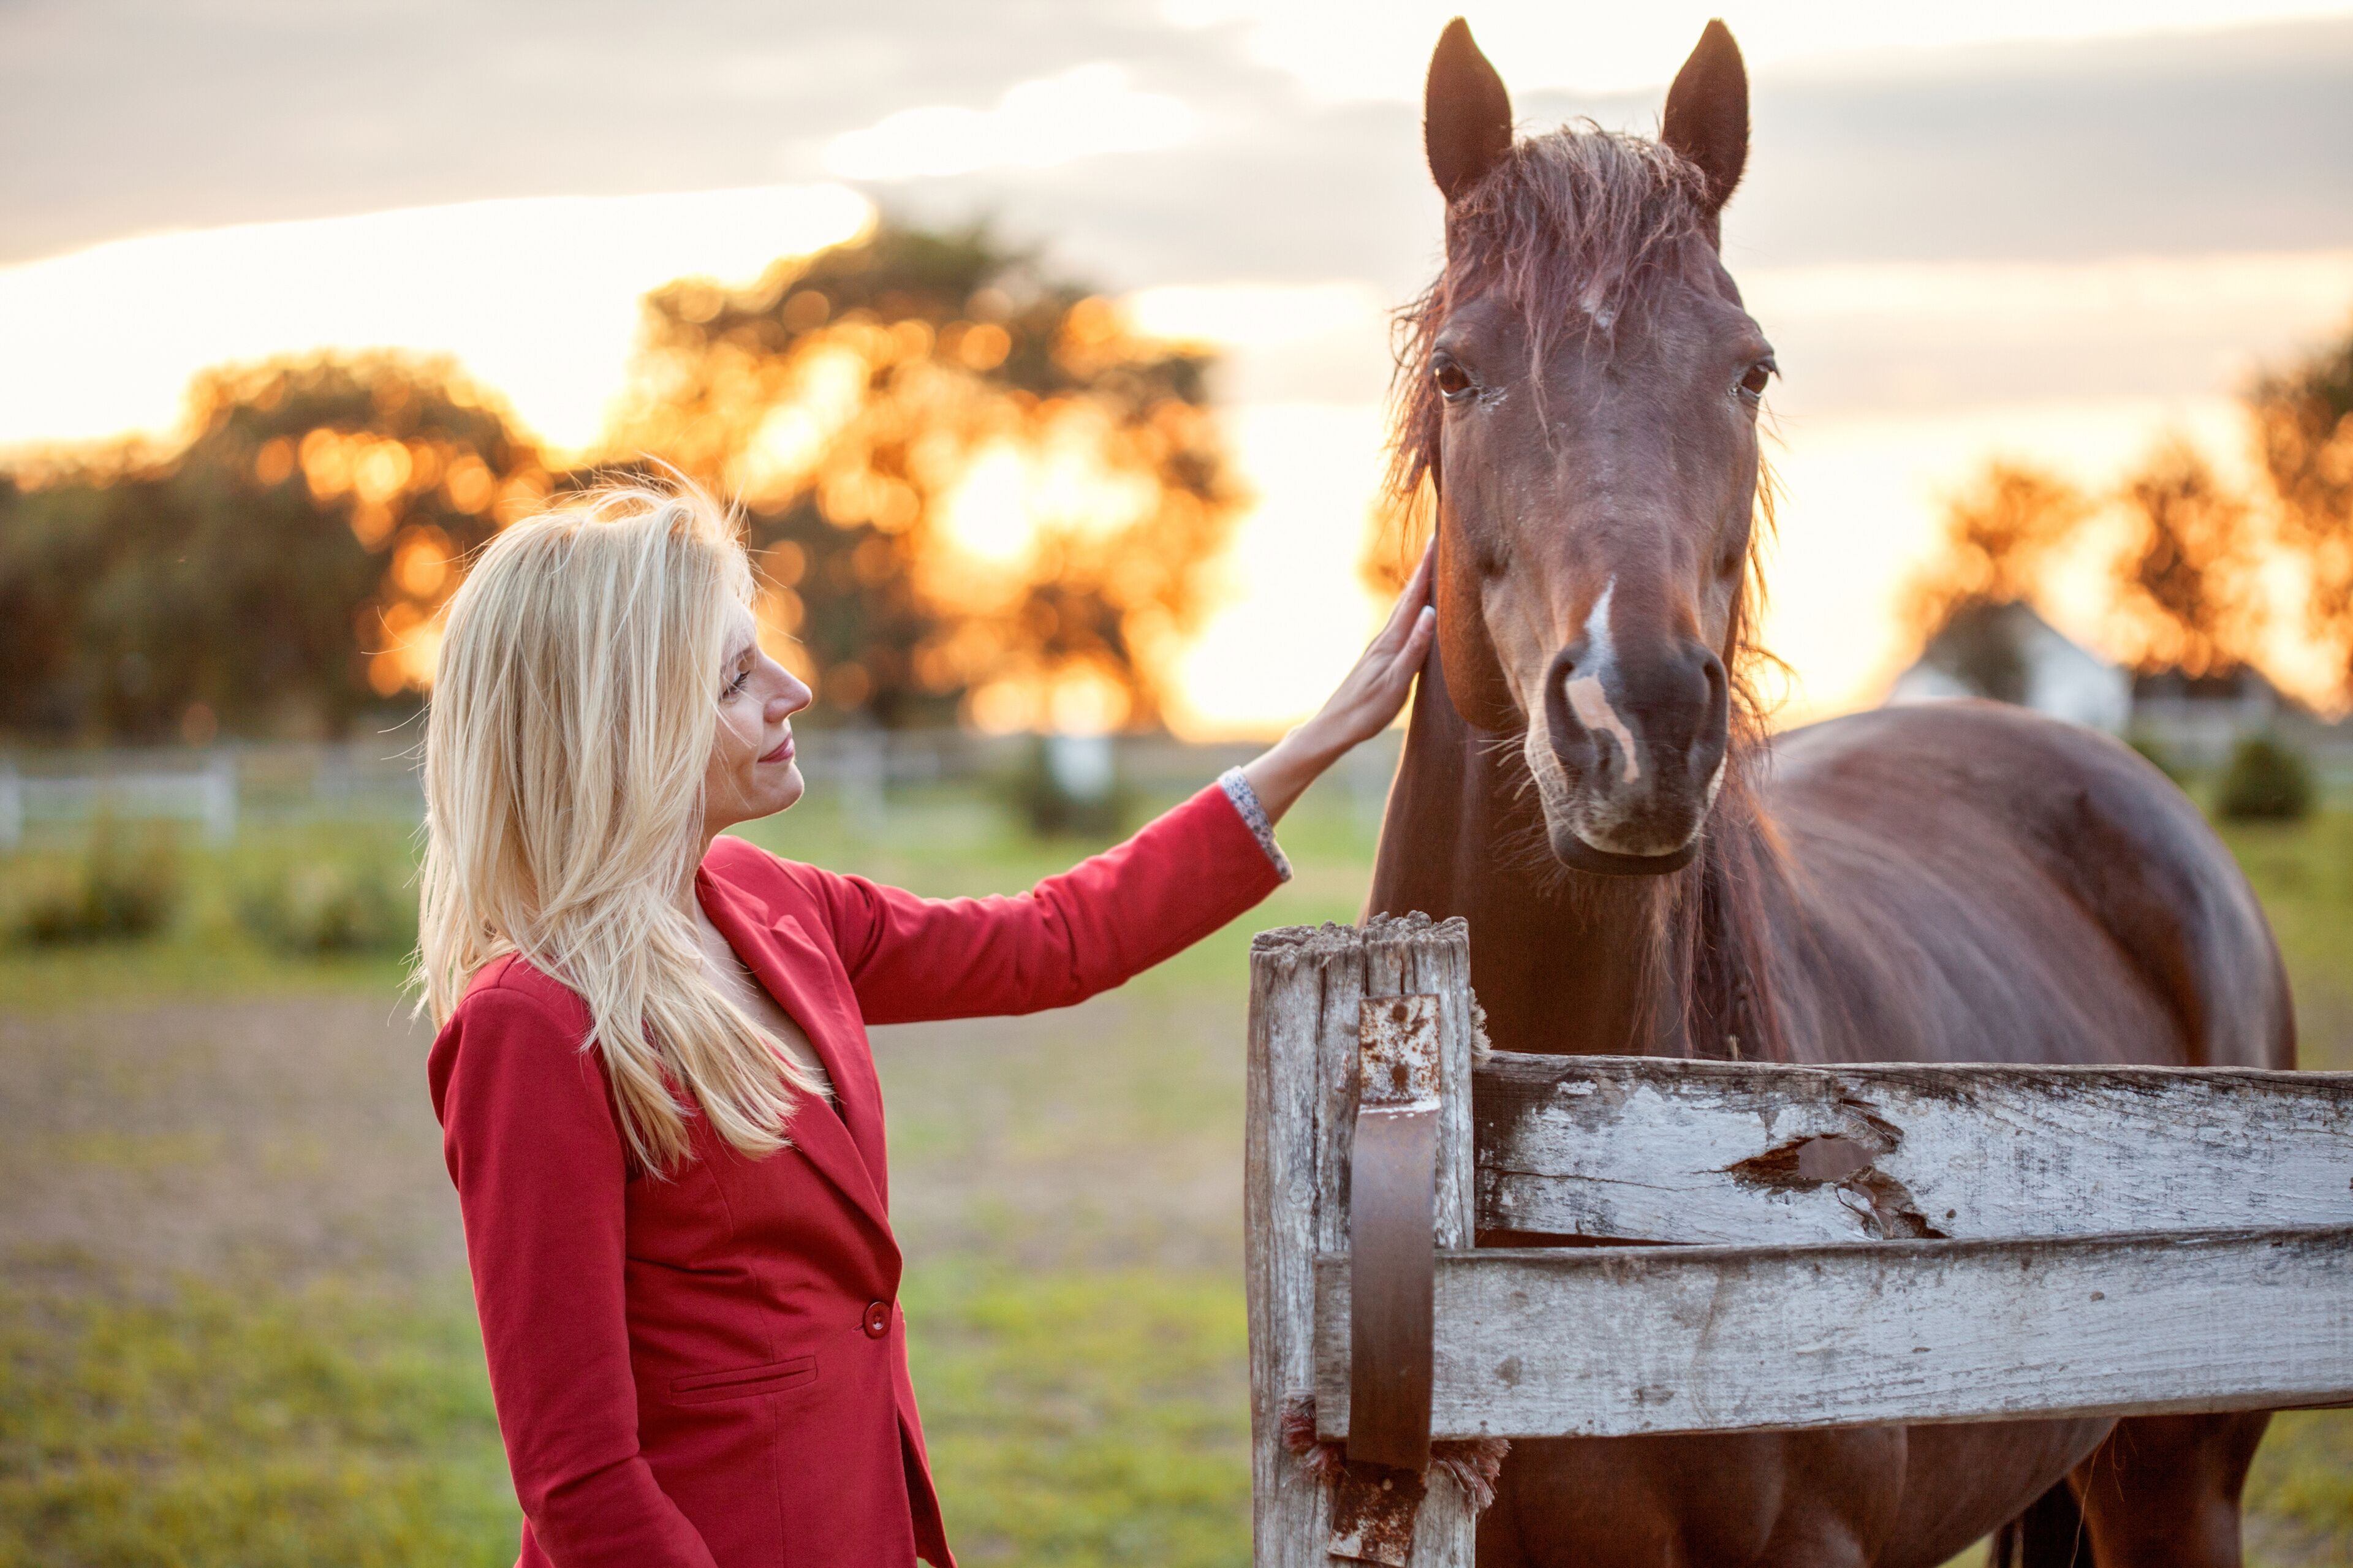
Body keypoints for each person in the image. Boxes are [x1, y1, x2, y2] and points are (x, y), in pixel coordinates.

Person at [417, 480, 1435, 1568]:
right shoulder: (531, 1024)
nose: (792, 689)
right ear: (618, 725)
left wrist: (1314, 744)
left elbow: (1055, 938)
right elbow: (582, 1483)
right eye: (734, 677)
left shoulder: (776, 903)